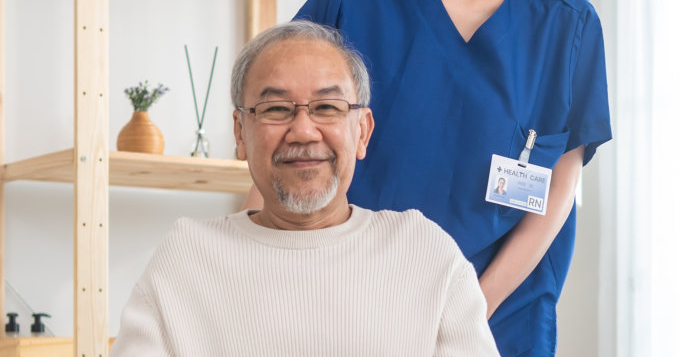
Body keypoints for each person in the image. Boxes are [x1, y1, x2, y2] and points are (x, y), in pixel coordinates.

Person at [245, 0, 613, 356]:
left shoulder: (568, 24)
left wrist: (462, 315)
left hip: (500, 325)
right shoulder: (352, 1)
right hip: (353, 313)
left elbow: (556, 195)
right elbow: (279, 143)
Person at [111, 21, 497, 356]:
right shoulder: (186, 259)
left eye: (327, 107)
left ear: (362, 132)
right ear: (239, 133)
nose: (304, 130)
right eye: (276, 109)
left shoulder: (424, 253)